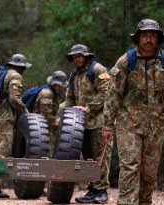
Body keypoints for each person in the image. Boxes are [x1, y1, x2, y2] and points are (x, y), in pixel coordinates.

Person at [102, 19, 164, 204]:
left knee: (149, 173)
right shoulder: (126, 61)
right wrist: (106, 125)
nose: (148, 40)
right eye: (144, 36)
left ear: (158, 39)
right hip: (128, 125)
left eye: (152, 36)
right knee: (129, 169)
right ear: (138, 39)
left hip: (156, 127)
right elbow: (113, 96)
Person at [64, 44, 113, 204]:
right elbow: (70, 97)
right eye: (74, 56)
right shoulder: (74, 75)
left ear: (86, 56)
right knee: (88, 158)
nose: (77, 59)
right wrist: (66, 115)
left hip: (100, 122)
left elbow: (107, 92)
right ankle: (92, 190)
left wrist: (89, 108)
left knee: (101, 156)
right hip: (80, 125)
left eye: (80, 56)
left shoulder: (97, 69)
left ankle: (101, 191)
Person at [0, 54, 31, 198]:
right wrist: (25, 110)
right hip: (5, 120)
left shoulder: (4, 74)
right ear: (21, 67)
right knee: (1, 153)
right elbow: (14, 98)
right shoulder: (15, 76)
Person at [32, 70, 68, 155]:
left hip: (43, 125)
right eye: (58, 85)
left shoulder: (54, 92)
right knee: (47, 150)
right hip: (40, 126)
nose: (60, 87)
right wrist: (56, 123)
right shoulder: (47, 93)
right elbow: (46, 115)